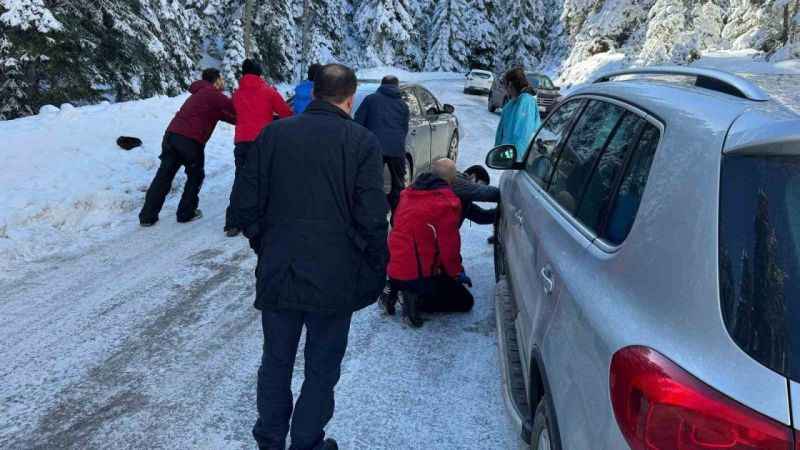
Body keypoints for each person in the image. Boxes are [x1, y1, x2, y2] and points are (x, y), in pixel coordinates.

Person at [230, 64, 388, 450]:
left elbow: (243, 205)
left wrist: (266, 243)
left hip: (279, 268)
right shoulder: (363, 142)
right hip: (335, 276)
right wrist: (375, 264)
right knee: (322, 367)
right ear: (350, 99)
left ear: (314, 93)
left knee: (276, 361)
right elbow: (372, 217)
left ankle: (270, 440)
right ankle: (306, 442)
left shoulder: (273, 134)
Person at [139, 68, 236, 226]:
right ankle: (186, 213)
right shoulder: (212, 94)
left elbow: (228, 116)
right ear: (217, 80)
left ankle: (147, 216)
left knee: (164, 176)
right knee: (195, 176)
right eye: (222, 79)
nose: (223, 82)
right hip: (190, 140)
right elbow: (235, 108)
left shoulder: (200, 95)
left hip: (171, 136)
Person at [384, 158, 473, 327]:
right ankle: (414, 299)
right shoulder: (446, 203)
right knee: (466, 301)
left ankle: (393, 289)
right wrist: (456, 273)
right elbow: (449, 249)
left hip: (393, 267)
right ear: (450, 180)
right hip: (416, 274)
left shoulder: (407, 194)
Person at [225, 59, 293, 237]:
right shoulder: (268, 91)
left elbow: (235, 112)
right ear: (259, 74)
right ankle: (262, 218)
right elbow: (286, 113)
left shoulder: (237, 94)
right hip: (263, 141)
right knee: (266, 179)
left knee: (241, 180)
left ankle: (233, 222)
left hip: (241, 141)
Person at [354, 75, 411, 217]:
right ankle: (396, 217)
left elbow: (358, 121)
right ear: (396, 87)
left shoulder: (370, 100)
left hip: (374, 148)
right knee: (398, 184)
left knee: (373, 182)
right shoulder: (403, 105)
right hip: (397, 149)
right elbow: (404, 128)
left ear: (382, 85)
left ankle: (374, 214)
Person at [495, 68, 541, 157]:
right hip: (506, 155)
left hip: (514, 158)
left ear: (510, 84)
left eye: (505, 85)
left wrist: (509, 158)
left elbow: (521, 138)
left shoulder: (526, 101)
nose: (505, 89)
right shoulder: (514, 102)